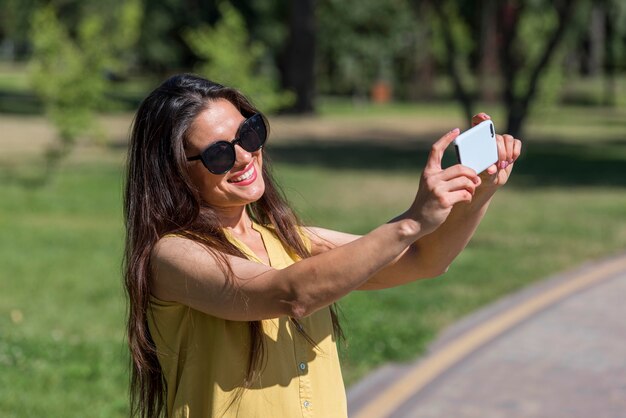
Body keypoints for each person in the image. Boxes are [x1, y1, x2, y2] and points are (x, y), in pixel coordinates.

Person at [123, 73, 522, 418]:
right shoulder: (172, 256)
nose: (245, 156)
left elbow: (425, 259)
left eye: (249, 132)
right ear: (174, 171)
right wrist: (412, 221)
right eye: (219, 153)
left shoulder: (292, 239)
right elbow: (287, 293)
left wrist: (478, 193)